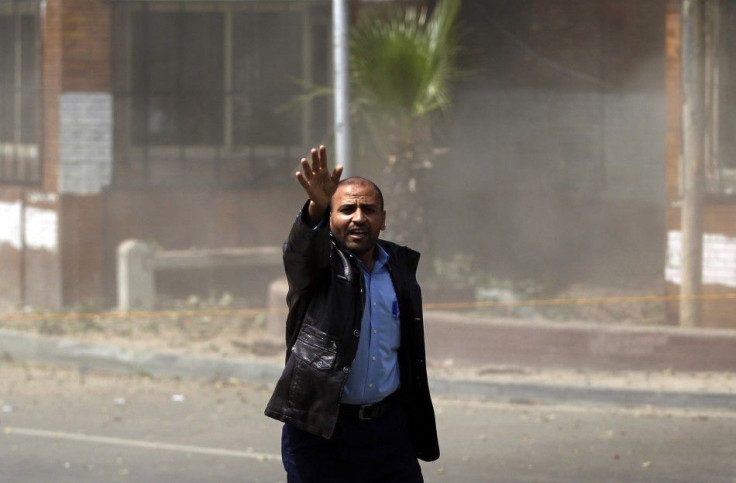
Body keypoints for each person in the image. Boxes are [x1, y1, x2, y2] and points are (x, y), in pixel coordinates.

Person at [264, 145, 440, 482]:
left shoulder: (400, 270)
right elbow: (300, 251)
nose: (358, 217)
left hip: (388, 433)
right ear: (331, 219)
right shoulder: (317, 270)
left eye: (368, 209)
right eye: (346, 209)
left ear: (383, 219)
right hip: (322, 429)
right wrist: (315, 206)